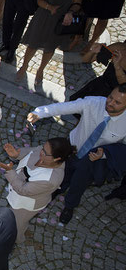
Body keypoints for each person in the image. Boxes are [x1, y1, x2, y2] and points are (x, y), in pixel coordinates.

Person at [27, 85, 126, 223]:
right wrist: (39, 113)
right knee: (61, 174)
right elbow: (65, 107)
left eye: (117, 102)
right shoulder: (93, 102)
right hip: (72, 149)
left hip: (92, 161)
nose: (110, 103)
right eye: (110, 97)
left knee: (79, 185)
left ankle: (69, 206)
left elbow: (123, 150)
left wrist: (104, 155)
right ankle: (54, 191)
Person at [16, 0, 86, 85]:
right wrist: (50, 7)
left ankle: (41, 70)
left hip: (62, 19)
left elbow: (77, 2)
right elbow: (40, 0)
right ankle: (24, 66)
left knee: (50, 47)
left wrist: (70, 12)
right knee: (33, 44)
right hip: (44, 15)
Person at [0, 137, 73, 244]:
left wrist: (10, 172)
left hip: (26, 204)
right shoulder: (44, 151)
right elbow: (31, 152)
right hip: (19, 189)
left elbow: (23, 190)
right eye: (43, 147)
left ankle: (16, 240)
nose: (41, 151)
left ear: (56, 159)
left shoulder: (51, 179)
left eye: (45, 152)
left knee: (17, 224)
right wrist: (16, 154)